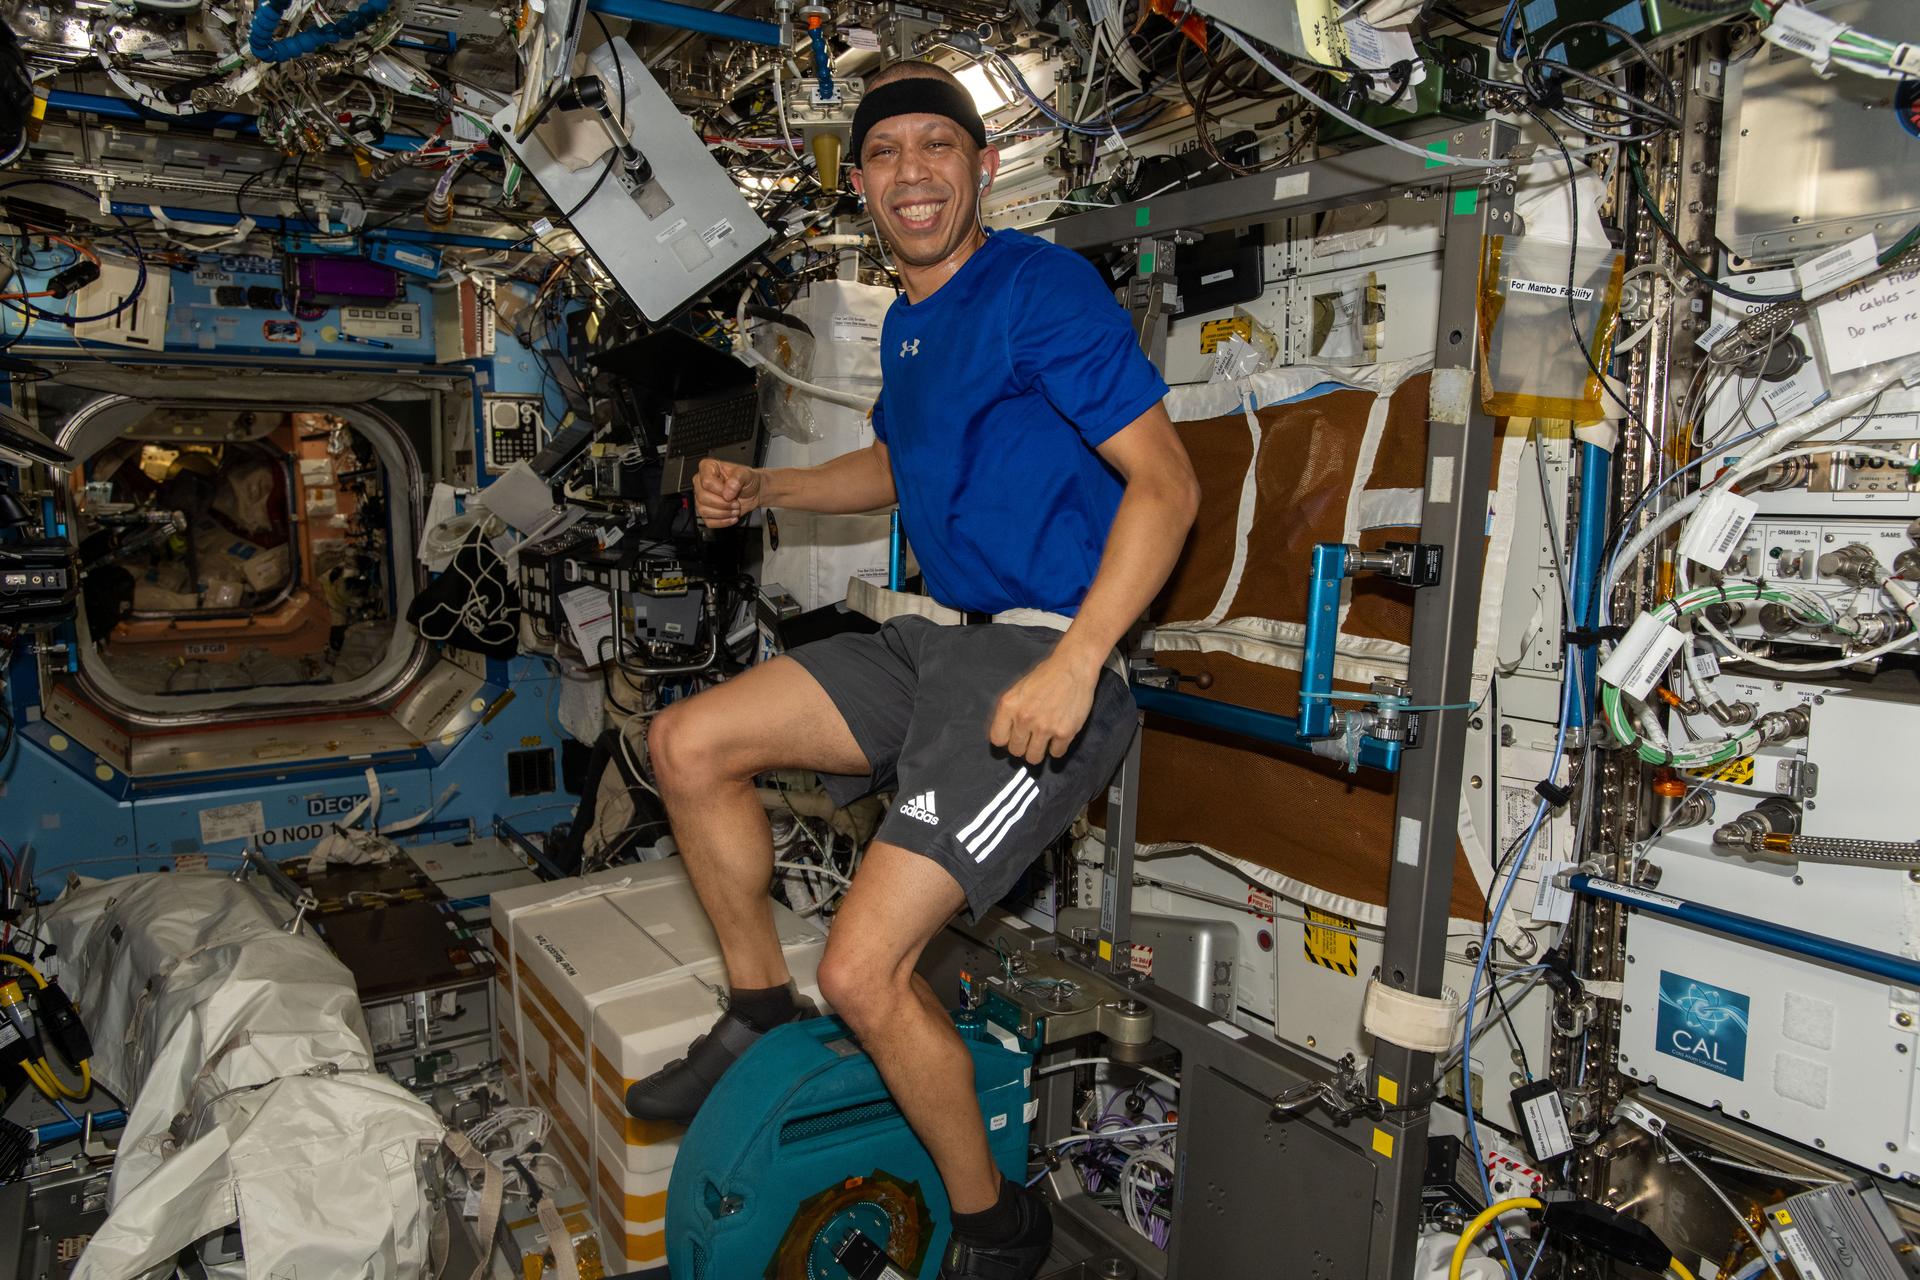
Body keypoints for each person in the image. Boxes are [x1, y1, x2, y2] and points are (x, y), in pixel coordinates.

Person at [625, 58, 1199, 1279]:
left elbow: (1168, 483)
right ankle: (753, 1008)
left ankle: (1001, 1224)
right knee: (685, 744)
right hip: (941, 634)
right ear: (862, 187)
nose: (911, 173)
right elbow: (897, 464)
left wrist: (1080, 664)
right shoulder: (912, 324)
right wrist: (768, 485)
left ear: (982, 169)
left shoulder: (1040, 287)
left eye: (937, 147)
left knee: (865, 969)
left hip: (1043, 652)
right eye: (885, 155)